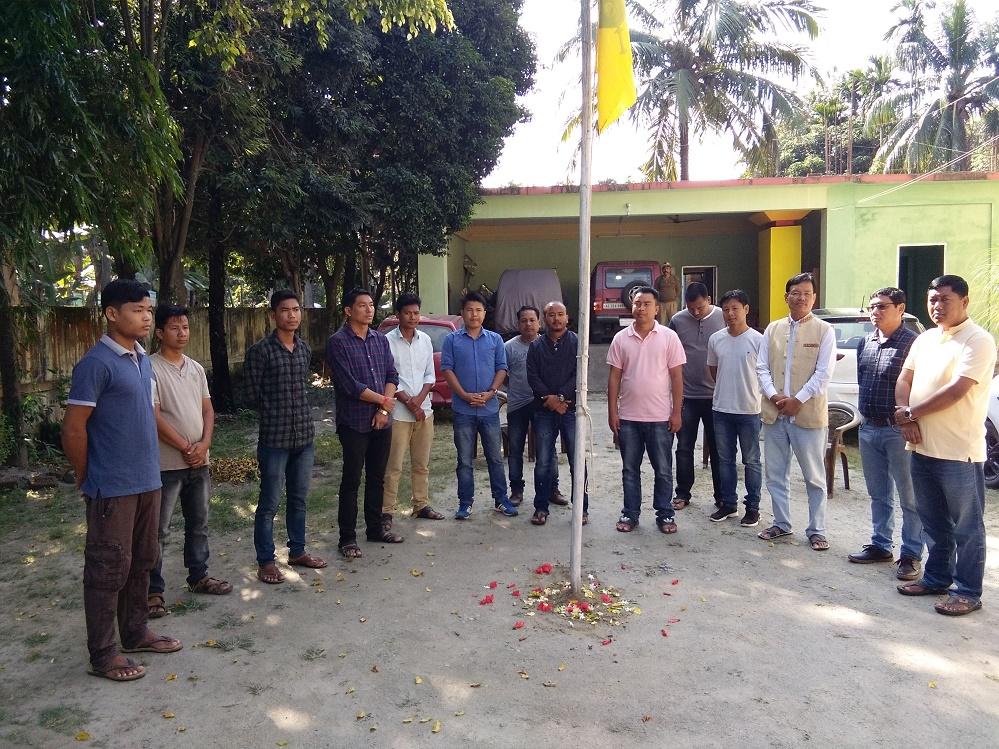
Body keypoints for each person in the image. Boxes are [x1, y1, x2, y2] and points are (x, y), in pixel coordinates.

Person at [62, 279, 182, 682]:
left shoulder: (142, 359)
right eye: (137, 310)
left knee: (143, 560)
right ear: (112, 314)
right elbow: (74, 429)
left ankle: (134, 632)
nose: (147, 317)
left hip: (148, 479)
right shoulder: (95, 364)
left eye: (149, 310)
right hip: (112, 487)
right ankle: (103, 654)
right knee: (107, 568)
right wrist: (86, 474)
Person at [895, 275, 996, 616]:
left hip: (958, 452)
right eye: (932, 299)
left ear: (964, 302)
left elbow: (958, 390)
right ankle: (937, 578)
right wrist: (905, 415)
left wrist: (912, 413)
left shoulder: (978, 340)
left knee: (967, 527)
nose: (937, 306)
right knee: (934, 521)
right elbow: (904, 379)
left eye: (945, 299)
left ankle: (968, 592)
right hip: (922, 447)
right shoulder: (925, 339)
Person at [148, 304, 231, 620]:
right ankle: (152, 591)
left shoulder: (195, 368)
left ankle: (199, 575)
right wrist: (186, 446)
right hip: (167, 464)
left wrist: (205, 443)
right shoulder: (150, 368)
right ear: (160, 333)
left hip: (199, 461)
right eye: (174, 327)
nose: (182, 333)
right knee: (159, 529)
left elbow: (208, 409)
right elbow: (154, 416)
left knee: (199, 523)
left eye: (185, 327)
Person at [244, 289, 326, 583]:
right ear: (273, 315)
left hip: (303, 436)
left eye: (296, 310)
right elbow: (250, 393)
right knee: (269, 502)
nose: (292, 315)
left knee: (299, 498)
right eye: (285, 310)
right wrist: (274, 410)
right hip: (275, 439)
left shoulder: (303, 349)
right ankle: (266, 560)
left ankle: (297, 551)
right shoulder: (261, 351)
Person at [755, 272, 837, 551]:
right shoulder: (773, 329)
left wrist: (798, 400)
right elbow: (761, 367)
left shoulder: (824, 330)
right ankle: (781, 523)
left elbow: (823, 373)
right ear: (786, 297)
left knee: (814, 477)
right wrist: (774, 395)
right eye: (795, 293)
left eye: (807, 293)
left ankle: (817, 529)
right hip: (775, 413)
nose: (801, 298)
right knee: (775, 474)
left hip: (807, 415)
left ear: (814, 298)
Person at [848, 288, 924, 581]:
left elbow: (920, 388)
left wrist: (911, 420)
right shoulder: (865, 342)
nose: (875, 312)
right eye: (872, 307)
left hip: (898, 431)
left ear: (900, 308)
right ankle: (881, 545)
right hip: (869, 428)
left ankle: (911, 554)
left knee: (909, 496)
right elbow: (863, 380)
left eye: (882, 306)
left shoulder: (912, 344)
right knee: (878, 493)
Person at [327, 288, 403, 557]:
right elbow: (349, 385)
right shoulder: (338, 342)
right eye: (362, 305)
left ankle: (375, 528)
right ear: (348, 311)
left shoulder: (379, 339)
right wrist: (383, 401)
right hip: (354, 422)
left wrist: (383, 410)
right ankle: (347, 538)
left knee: (377, 477)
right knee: (351, 480)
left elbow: (392, 375)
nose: (369, 310)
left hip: (382, 421)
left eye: (371, 305)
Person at [607, 286, 686, 534]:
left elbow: (677, 377)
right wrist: (612, 412)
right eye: (637, 303)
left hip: (660, 417)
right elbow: (614, 378)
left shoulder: (669, 337)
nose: (641, 308)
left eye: (646, 304)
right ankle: (630, 513)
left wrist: (676, 412)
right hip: (628, 417)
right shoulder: (621, 338)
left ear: (656, 308)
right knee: (630, 470)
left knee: (663, 470)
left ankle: (665, 514)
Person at [441, 292, 518, 519]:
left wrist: (491, 392)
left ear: (484, 313)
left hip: (489, 409)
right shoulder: (451, 340)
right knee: (465, 460)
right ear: (462, 313)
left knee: (495, 457)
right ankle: (465, 503)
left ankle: (501, 500)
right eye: (469, 310)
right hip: (463, 410)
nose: (474, 314)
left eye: (478, 310)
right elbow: (447, 370)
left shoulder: (495, 340)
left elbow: (502, 368)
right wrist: (464, 395)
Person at [382, 293, 444, 522]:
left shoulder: (425, 340)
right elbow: (388, 376)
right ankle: (386, 511)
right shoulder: (387, 341)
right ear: (398, 315)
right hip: (398, 412)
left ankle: (421, 505)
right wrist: (409, 402)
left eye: (416, 313)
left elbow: (430, 375)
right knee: (393, 466)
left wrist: (418, 402)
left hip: (424, 411)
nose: (412, 317)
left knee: (421, 464)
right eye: (407, 313)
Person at [706, 290, 764, 526]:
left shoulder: (758, 340)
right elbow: (713, 370)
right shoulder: (716, 339)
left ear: (746, 310)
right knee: (725, 460)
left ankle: (753, 508)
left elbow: (765, 374)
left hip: (749, 410)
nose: (730, 313)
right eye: (726, 309)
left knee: (751, 461)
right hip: (721, 409)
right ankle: (728, 504)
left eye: (735, 309)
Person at [527, 301, 588, 525]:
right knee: (543, 461)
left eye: (560, 314)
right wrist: (551, 400)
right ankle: (541, 508)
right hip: (544, 410)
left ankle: (581, 509)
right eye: (551, 315)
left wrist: (561, 397)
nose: (556, 319)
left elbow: (580, 373)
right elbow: (532, 377)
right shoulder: (536, 346)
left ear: (567, 317)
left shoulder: (577, 342)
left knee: (577, 460)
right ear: (544, 319)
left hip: (572, 410)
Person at [669, 282, 725, 513]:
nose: (696, 312)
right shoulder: (677, 320)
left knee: (718, 449)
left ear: (709, 300)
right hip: (687, 396)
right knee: (684, 447)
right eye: (691, 308)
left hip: (716, 396)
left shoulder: (723, 316)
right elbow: (669, 353)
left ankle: (722, 496)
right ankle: (682, 493)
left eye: (700, 307)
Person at [504, 306, 565, 507]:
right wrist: (515, 388)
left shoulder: (547, 345)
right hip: (517, 405)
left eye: (532, 320)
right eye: (524, 320)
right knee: (515, 448)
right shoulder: (509, 347)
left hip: (543, 404)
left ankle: (552, 489)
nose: (528, 324)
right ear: (518, 324)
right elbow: (502, 374)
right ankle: (516, 490)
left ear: (539, 322)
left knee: (547, 448)